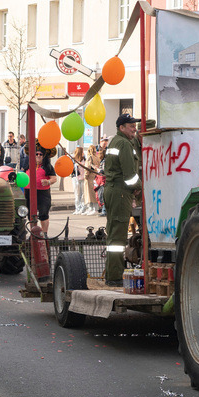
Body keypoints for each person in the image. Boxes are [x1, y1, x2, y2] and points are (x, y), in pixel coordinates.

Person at [103, 114, 141, 286]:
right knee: (117, 238)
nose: (134, 128)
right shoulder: (124, 144)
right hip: (120, 193)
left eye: (134, 125)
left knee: (113, 234)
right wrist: (141, 187)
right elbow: (129, 176)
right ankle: (116, 276)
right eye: (131, 126)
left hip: (112, 190)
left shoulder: (115, 141)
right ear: (122, 128)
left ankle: (112, 273)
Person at [34, 148, 57, 234]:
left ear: (44, 156)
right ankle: (34, 233)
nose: (38, 156)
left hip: (43, 193)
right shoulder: (29, 165)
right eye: (36, 154)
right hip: (30, 192)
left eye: (41, 154)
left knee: (43, 215)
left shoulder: (48, 167)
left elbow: (54, 179)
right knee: (31, 215)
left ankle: (44, 234)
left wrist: (48, 182)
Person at [71, 145, 89, 214]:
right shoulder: (73, 160)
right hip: (76, 178)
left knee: (82, 194)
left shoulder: (84, 159)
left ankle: (82, 208)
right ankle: (77, 208)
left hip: (83, 178)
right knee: (77, 194)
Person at [83, 144, 98, 214]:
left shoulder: (89, 157)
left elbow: (87, 167)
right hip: (96, 175)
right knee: (94, 192)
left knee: (89, 193)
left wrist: (85, 176)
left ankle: (91, 208)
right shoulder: (97, 157)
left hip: (90, 176)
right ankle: (95, 208)